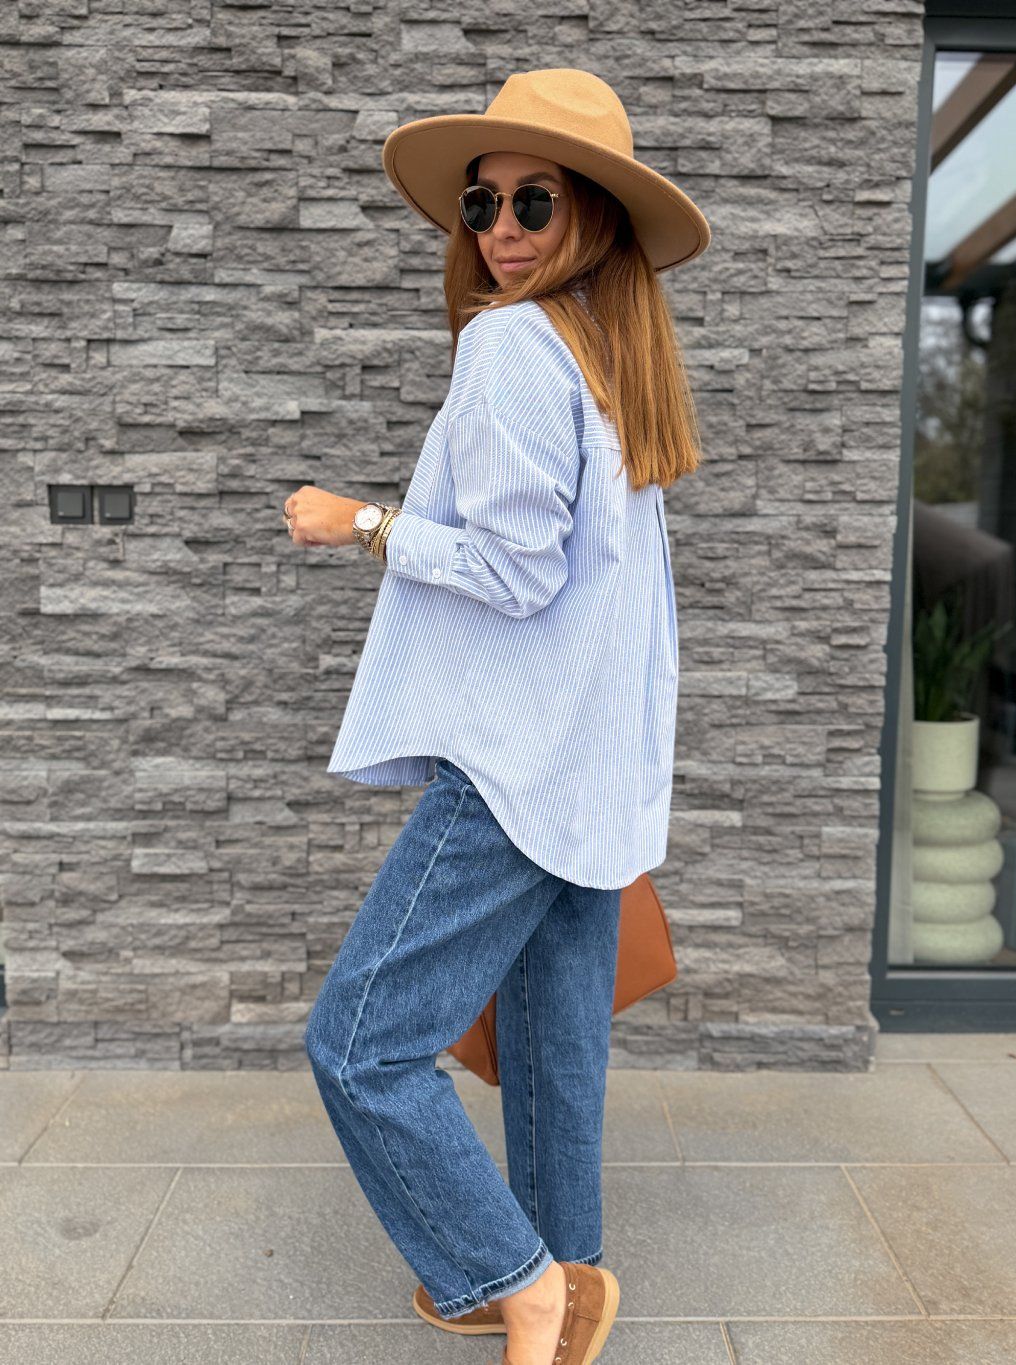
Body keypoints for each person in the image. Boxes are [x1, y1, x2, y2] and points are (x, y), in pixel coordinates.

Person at [284, 67, 710, 1365]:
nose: (501, 229)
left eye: (535, 200)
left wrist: (357, 521)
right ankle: (567, 1277)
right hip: (585, 764)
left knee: (360, 1041)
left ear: (594, 214)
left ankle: (511, 1283)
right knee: (552, 1042)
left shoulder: (513, 345)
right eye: (481, 204)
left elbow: (519, 574)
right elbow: (624, 607)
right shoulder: (612, 358)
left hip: (515, 764)